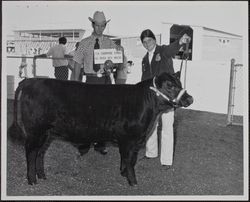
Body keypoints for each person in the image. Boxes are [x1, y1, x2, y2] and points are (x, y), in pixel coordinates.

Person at [71, 11, 127, 155]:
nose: (100, 28)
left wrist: (120, 54)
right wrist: (73, 87)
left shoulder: (110, 43)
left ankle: (100, 144)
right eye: (97, 25)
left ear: (105, 26)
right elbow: (77, 66)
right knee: (86, 113)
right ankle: (84, 143)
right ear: (92, 25)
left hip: (105, 81)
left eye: (103, 26)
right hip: (90, 80)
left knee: (104, 114)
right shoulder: (84, 43)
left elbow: (119, 62)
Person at [140, 29, 191, 168]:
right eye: (144, 42)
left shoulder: (162, 51)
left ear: (154, 40)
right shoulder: (144, 59)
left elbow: (171, 49)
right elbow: (144, 79)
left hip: (168, 96)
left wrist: (180, 41)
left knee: (167, 126)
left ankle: (166, 161)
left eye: (149, 40)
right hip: (153, 99)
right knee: (152, 126)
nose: (147, 44)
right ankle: (151, 153)